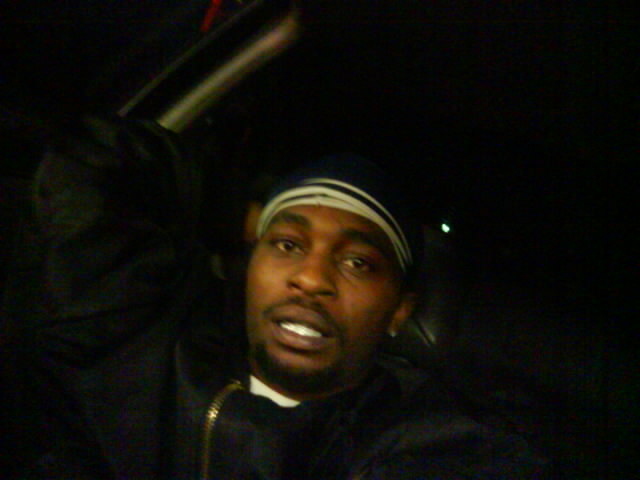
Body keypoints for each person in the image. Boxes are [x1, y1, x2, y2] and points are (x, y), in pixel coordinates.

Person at [0, 116, 549, 479]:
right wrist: (241, 214)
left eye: (357, 262)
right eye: (287, 245)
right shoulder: (148, 335)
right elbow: (89, 164)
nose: (311, 278)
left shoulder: (422, 436)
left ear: (399, 311)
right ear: (250, 262)